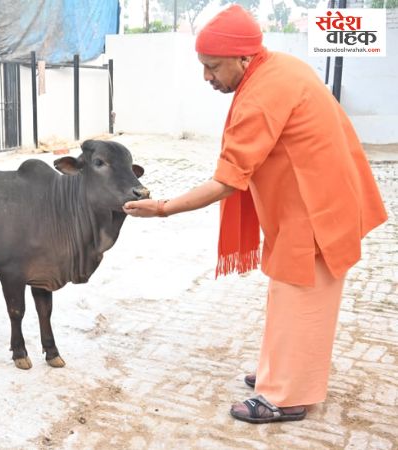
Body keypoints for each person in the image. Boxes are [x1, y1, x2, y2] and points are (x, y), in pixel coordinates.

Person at [123, 4, 387, 424]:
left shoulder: (263, 94)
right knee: (286, 295)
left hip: (316, 209)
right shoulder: (277, 68)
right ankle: (278, 372)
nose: (206, 77)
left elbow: (227, 180)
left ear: (244, 58)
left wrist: (164, 208)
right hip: (312, 200)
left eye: (213, 66)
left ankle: (286, 396)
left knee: (301, 298)